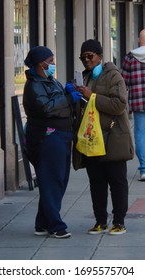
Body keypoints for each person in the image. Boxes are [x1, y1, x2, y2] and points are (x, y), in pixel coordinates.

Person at [66, 39, 134, 235]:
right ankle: (100, 221)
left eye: (90, 56)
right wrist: (73, 96)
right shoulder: (83, 77)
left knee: (117, 183)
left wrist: (91, 95)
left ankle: (119, 222)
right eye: (83, 57)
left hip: (113, 138)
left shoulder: (114, 76)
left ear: (99, 56)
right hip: (91, 139)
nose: (86, 60)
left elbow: (119, 105)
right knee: (96, 183)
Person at [23, 46, 81, 239]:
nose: (53, 64)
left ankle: (42, 223)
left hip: (62, 135)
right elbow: (46, 108)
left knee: (58, 180)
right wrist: (67, 98)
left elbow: (58, 101)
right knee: (52, 181)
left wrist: (67, 91)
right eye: (51, 60)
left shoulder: (49, 80)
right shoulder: (33, 85)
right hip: (47, 137)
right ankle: (56, 225)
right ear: (42, 63)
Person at [121, 29, 145, 181]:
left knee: (140, 134)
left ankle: (144, 168)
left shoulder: (130, 57)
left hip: (138, 102)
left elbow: (123, 82)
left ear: (139, 40)